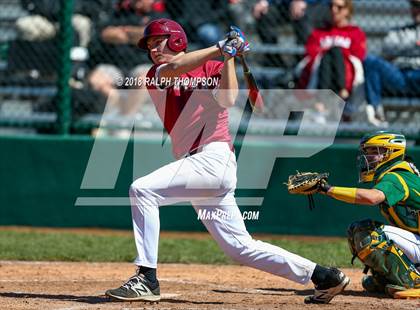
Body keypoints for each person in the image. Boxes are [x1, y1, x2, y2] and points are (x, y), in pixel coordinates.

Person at [105, 18, 350, 304]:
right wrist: (220, 47)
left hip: (212, 158)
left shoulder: (212, 66)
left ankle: (146, 277)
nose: (153, 48)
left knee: (142, 190)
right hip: (200, 165)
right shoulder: (156, 73)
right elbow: (174, 69)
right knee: (240, 248)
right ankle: (322, 275)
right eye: (149, 44)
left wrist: (229, 57)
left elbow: (229, 98)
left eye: (158, 41)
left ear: (176, 40)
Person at [305, 131, 420, 295]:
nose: (368, 156)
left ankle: (415, 282)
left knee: (367, 234)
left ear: (392, 153)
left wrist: (327, 189)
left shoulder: (397, 176)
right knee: (356, 231)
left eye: (375, 151)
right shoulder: (395, 175)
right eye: (367, 152)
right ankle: (393, 278)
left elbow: (372, 198)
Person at [296, 0, 366, 121]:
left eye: (339, 7)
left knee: (336, 52)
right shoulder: (318, 33)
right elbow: (311, 55)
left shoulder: (355, 33)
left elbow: (358, 57)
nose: (334, 10)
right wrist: (330, 52)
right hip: (322, 73)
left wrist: (337, 52)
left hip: (346, 76)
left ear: (347, 10)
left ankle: (323, 102)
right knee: (329, 55)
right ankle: (340, 95)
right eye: (331, 6)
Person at [363, 0, 420, 126]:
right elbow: (387, 47)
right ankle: (376, 112)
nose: (417, 10)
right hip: (400, 75)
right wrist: (415, 46)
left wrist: (402, 49)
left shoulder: (400, 36)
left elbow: (394, 49)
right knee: (371, 61)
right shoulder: (399, 31)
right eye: (415, 6)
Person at [252, 0, 331, 66]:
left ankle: (303, 65)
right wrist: (265, 2)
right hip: (287, 5)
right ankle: (275, 63)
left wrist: (303, 1)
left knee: (303, 18)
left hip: (315, 4)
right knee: (264, 15)